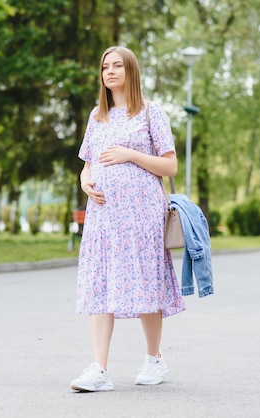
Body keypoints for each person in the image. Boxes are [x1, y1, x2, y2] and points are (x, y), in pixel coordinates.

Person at [70, 46, 185, 392]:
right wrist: (85, 182)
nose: (110, 71)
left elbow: (169, 166)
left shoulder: (150, 112)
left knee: (145, 280)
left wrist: (130, 155)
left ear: (131, 71)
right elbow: (88, 163)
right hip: (104, 217)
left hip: (142, 216)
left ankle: (154, 359)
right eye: (105, 66)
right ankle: (99, 369)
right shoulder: (96, 116)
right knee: (100, 283)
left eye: (117, 65)